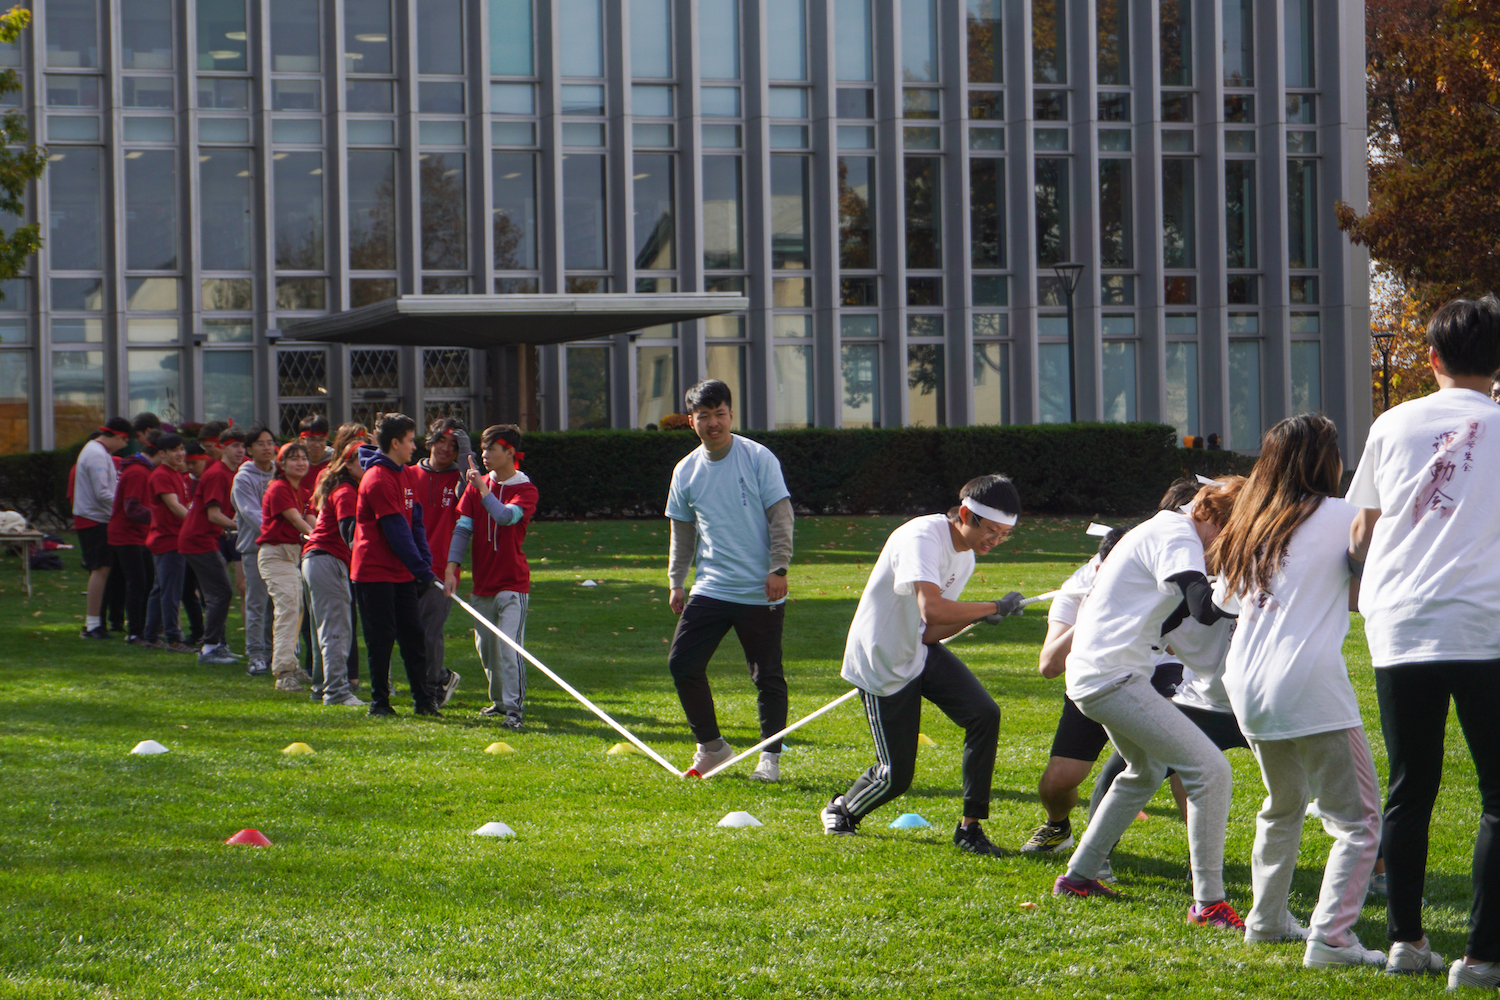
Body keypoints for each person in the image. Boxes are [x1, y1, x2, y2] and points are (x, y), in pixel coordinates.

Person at [1346, 296, 1500, 983]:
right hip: (1485, 622)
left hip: (1400, 620)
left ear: (1430, 357)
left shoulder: (1392, 423)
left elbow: (1360, 532)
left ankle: (1407, 941)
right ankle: (1481, 956)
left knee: (1413, 786)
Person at [1207, 414, 1384, 968]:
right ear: (1327, 461)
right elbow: (1365, 585)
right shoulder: (1343, 516)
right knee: (1360, 823)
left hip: (1247, 685)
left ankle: (1266, 920)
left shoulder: (1250, 523)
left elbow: (1226, 603)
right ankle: (1332, 938)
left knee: (1283, 805)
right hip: (1307, 684)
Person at [1053, 478, 1246, 932]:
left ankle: (1078, 877)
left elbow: (1177, 614)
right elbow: (1201, 607)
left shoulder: (1163, 531)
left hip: (1105, 673)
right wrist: (1248, 586)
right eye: (1231, 534)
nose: (1227, 546)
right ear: (1210, 515)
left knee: (1144, 771)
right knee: (1211, 770)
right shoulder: (1176, 535)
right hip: (1111, 677)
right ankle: (1209, 904)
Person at [820, 474, 1024, 855]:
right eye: (991, 532)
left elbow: (930, 631)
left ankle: (970, 830)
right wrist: (992, 607)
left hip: (917, 648)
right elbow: (932, 608)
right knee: (896, 777)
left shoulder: (965, 555)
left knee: (984, 714)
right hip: (881, 659)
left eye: (1003, 535)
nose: (995, 542)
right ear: (965, 514)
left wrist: (980, 616)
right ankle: (843, 808)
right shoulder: (922, 537)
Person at [1023, 519, 1188, 859]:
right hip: (1096, 675)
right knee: (1059, 781)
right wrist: (1093, 612)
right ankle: (1058, 828)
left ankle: (1198, 855)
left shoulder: (1165, 580)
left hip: (1156, 669)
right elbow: (1049, 665)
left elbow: (1182, 648)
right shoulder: (1079, 587)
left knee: (1184, 758)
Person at [664, 379, 795, 780]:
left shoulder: (758, 458)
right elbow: (682, 532)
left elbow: (781, 516)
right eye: (704, 416)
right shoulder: (685, 471)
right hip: (712, 587)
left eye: (720, 414)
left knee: (766, 674)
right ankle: (712, 747)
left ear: (731, 415)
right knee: (682, 663)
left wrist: (779, 568)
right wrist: (676, 581)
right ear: (692, 421)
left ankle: (769, 758)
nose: (714, 423)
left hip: (760, 588)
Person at [446, 424, 538, 727]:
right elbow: (463, 529)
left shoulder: (525, 489)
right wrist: (451, 567)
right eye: (482, 449)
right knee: (487, 649)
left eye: (490, 449)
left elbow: (505, 516)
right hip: (482, 584)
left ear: (510, 452)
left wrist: (482, 489)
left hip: (512, 584)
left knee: (509, 648)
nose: (483, 455)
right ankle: (498, 703)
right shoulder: (477, 485)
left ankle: (514, 710)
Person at [351, 413, 441, 718]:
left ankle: (424, 701)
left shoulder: (406, 473)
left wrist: (424, 563)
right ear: (394, 443)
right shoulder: (377, 479)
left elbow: (415, 523)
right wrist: (420, 569)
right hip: (374, 571)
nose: (414, 446)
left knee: (413, 635)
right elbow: (395, 531)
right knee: (381, 637)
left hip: (401, 572)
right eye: (409, 440)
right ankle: (379, 702)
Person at [302, 442, 367, 707]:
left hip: (315, 560)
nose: (368, 465)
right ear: (348, 464)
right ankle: (337, 691)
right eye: (362, 460)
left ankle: (321, 687)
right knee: (336, 630)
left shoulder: (343, 487)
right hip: (328, 561)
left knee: (323, 630)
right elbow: (348, 530)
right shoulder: (346, 491)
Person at [179, 427, 248, 666]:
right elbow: (213, 514)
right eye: (234, 446)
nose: (240, 451)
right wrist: (238, 526)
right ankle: (209, 648)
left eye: (242, 446)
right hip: (198, 540)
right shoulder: (218, 474)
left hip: (205, 539)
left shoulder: (229, 472)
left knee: (217, 592)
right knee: (221, 592)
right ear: (222, 448)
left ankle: (219, 645)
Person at [413, 417, 470, 706]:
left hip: (443, 569)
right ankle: (442, 676)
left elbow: (474, 490)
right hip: (409, 566)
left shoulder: (460, 480)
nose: (446, 449)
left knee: (429, 631)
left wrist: (467, 458)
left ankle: (432, 690)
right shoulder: (409, 474)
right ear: (429, 440)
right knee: (408, 631)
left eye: (454, 445)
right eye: (441, 440)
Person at [257, 441, 316, 692]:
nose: (300, 462)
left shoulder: (302, 490)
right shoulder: (279, 488)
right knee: (288, 610)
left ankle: (290, 664)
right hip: (276, 554)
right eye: (293, 459)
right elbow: (297, 520)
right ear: (281, 465)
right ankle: (283, 673)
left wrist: (317, 534)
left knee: (295, 609)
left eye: (303, 458)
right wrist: (317, 539)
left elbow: (311, 517)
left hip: (292, 555)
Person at [74, 418, 131, 639]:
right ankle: (92, 623)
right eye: (125, 441)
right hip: (93, 519)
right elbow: (103, 493)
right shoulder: (97, 454)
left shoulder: (96, 451)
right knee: (100, 569)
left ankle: (96, 622)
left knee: (103, 569)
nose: (124, 447)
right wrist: (125, 509)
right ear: (118, 437)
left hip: (96, 518)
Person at [233, 426, 279, 676]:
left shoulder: (280, 472)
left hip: (282, 549)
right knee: (257, 604)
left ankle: (276, 653)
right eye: (260, 443)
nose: (266, 447)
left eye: (270, 442)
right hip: (255, 549)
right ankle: (256, 655)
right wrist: (276, 532)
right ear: (249, 450)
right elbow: (250, 512)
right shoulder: (243, 478)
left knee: (280, 605)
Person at [143, 433, 195, 653]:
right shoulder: (162, 475)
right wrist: (197, 524)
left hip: (171, 538)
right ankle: (173, 639)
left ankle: (151, 636)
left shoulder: (175, 474)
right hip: (168, 540)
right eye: (175, 450)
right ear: (162, 454)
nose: (180, 453)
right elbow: (174, 506)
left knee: (161, 589)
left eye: (181, 448)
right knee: (170, 591)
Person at [107, 435, 156, 645]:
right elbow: (132, 508)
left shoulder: (140, 470)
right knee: (139, 583)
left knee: (121, 581)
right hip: (129, 536)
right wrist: (160, 518)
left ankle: (117, 622)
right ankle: (135, 631)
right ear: (162, 453)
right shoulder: (138, 472)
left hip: (131, 534)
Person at [298, 413, 331, 483]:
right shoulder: (295, 463)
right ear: (301, 441)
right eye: (312, 439)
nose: (317, 445)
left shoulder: (334, 462)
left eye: (321, 439)